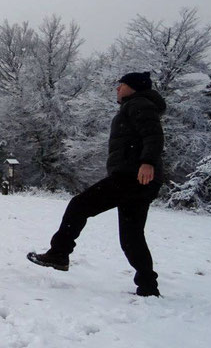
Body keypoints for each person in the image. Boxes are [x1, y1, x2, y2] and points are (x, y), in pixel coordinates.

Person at [27, 71, 166, 297]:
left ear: (134, 87)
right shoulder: (138, 105)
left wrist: (147, 162)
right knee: (132, 237)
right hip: (140, 181)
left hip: (131, 177)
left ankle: (59, 253)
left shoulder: (139, 104)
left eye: (121, 85)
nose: (117, 89)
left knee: (79, 205)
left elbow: (153, 135)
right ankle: (148, 286)